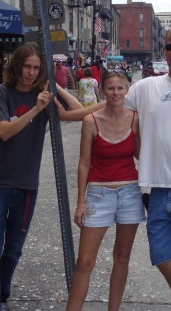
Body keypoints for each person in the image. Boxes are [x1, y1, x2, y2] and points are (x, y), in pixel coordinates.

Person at [58, 24, 171, 311]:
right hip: (159, 189)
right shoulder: (147, 87)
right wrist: (67, 116)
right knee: (162, 255)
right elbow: (108, 105)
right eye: (170, 47)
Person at [0, 44, 82, 311]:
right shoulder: (2, 93)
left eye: (36, 68)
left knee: (13, 248)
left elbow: (76, 109)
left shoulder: (43, 95)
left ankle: (0, 295)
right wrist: (36, 109)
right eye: (27, 66)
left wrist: (53, 86)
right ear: (17, 66)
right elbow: (4, 132)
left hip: (26, 187)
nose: (30, 72)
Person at [66, 70, 145, 311]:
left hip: (130, 194)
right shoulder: (91, 120)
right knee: (84, 263)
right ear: (102, 91)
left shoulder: (136, 119)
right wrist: (81, 201)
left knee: (122, 257)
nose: (116, 93)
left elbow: (141, 156)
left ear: (127, 90)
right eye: (111, 88)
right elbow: (84, 163)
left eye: (120, 88)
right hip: (98, 195)